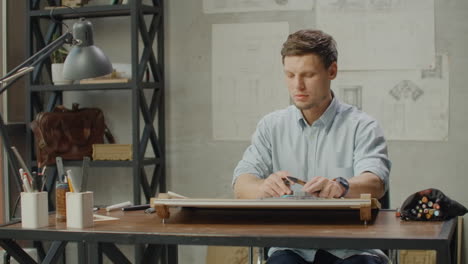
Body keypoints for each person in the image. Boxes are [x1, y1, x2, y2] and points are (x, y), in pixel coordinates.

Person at [232, 29, 391, 264]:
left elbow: (375, 182)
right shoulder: (271, 126)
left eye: (308, 75)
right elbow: (241, 185)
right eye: (290, 75)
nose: (298, 85)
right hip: (292, 248)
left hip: (353, 249)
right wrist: (263, 187)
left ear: (332, 71)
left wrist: (342, 186)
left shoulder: (363, 126)